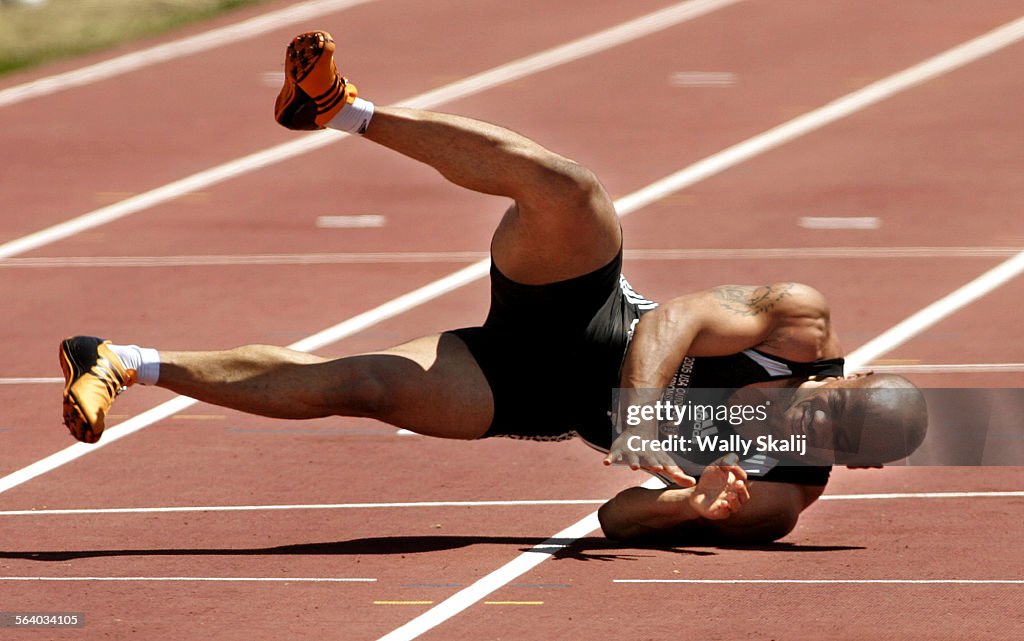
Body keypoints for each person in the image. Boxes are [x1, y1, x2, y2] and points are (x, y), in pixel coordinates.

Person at [59, 31, 927, 545]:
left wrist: (685, 506)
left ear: (852, 462)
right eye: (839, 404)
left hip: (527, 387)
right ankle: (339, 110)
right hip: (587, 310)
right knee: (569, 189)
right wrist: (645, 414)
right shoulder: (796, 325)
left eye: (841, 437)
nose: (821, 420)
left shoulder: (778, 496)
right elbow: (676, 319)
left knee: (359, 385)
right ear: (846, 374)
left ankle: (120, 361)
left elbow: (614, 517)